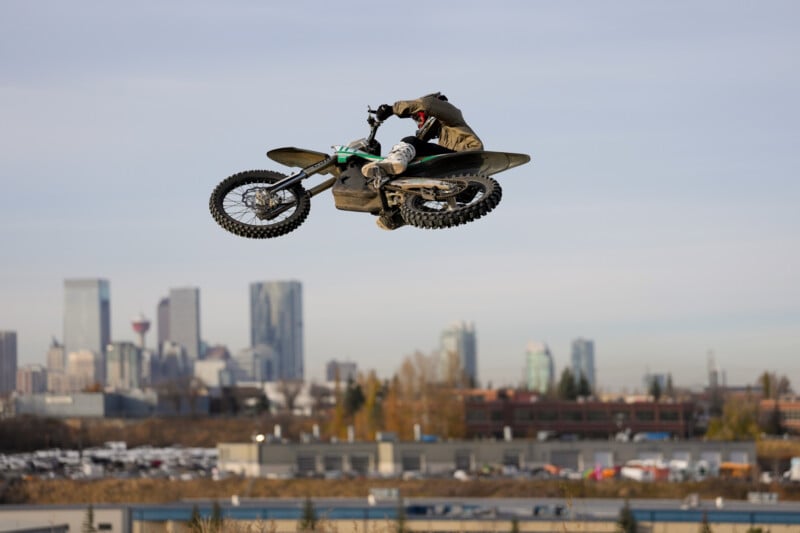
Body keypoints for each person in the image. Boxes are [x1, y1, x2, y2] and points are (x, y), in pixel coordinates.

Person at [361, 92, 483, 179]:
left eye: (418, 117)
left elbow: (427, 104)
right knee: (414, 157)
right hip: (455, 170)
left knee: (410, 141)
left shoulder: (452, 117)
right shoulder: (443, 140)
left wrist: (392, 109)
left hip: (465, 156)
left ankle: (395, 161)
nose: (419, 123)